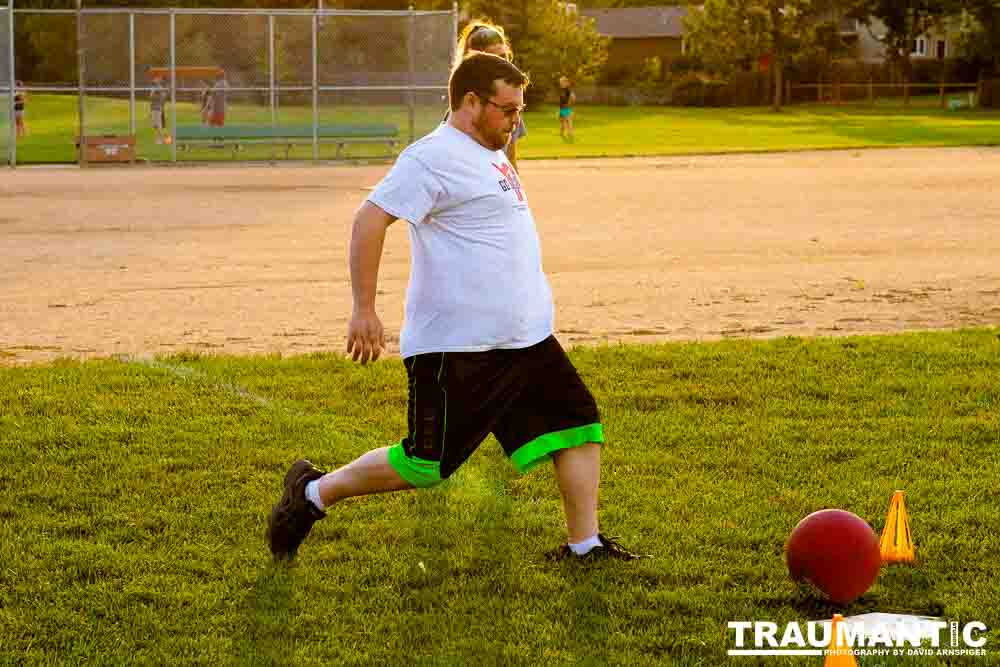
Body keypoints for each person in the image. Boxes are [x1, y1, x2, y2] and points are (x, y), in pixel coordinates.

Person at [267, 53, 640, 564]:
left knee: (577, 425)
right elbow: (369, 220)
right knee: (425, 465)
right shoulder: (431, 157)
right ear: (471, 102)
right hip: (459, 349)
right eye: (508, 110)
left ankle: (584, 544)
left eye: (520, 109)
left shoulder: (490, 149)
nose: (517, 122)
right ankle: (312, 493)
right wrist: (363, 309)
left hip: (525, 341)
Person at [451, 20, 526, 171]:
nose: (504, 65)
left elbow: (510, 163)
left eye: (504, 57)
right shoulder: (463, 112)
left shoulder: (510, 109)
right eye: (494, 58)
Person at [149, 77, 168, 145]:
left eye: (155, 79)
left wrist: (153, 94)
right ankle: (158, 140)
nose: (154, 80)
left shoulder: (159, 88)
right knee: (155, 126)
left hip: (157, 109)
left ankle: (163, 139)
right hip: (154, 109)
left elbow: (159, 97)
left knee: (158, 125)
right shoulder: (155, 88)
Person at [558, 75, 576, 142]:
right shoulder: (561, 89)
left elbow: (573, 96)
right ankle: (561, 133)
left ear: (566, 82)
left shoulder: (568, 89)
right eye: (560, 82)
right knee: (562, 122)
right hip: (562, 108)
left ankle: (570, 134)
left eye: (562, 82)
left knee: (569, 121)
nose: (561, 83)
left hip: (566, 108)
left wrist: (570, 102)